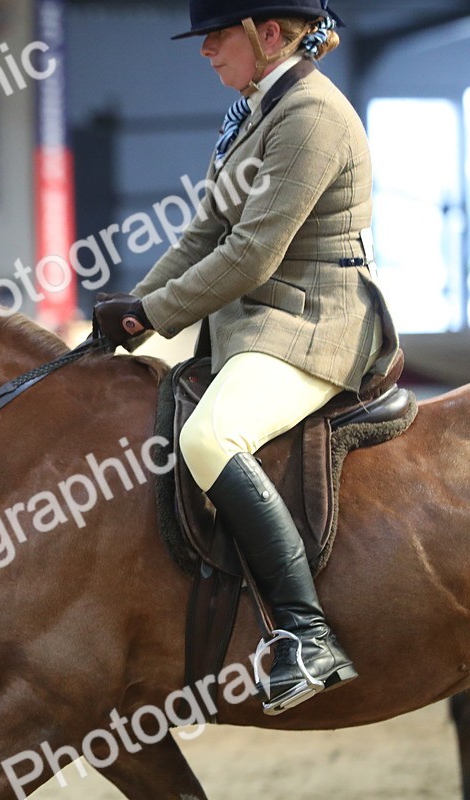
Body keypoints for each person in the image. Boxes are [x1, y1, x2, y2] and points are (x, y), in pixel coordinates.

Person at [93, 0, 400, 715]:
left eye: (217, 36)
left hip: (315, 321)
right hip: (256, 320)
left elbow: (253, 255)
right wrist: (130, 311)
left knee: (210, 436)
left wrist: (153, 313)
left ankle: (306, 633)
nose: (205, 52)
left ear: (268, 35)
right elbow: (205, 232)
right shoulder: (257, 111)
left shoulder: (312, 117)